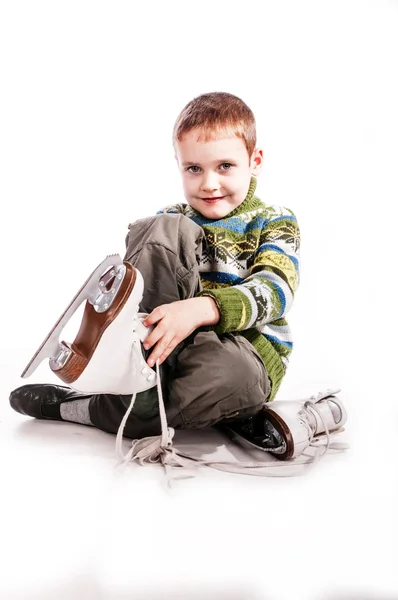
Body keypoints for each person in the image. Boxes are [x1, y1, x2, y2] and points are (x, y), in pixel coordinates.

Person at [9, 91, 302, 454]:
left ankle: (88, 407)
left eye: (224, 166)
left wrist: (202, 309)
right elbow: (158, 266)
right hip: (160, 347)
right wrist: (127, 287)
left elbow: (277, 290)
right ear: (179, 165)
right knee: (161, 226)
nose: (209, 183)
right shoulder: (173, 217)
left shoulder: (274, 221)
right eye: (194, 168)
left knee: (232, 377)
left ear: (254, 161)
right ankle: (137, 371)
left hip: (241, 353)